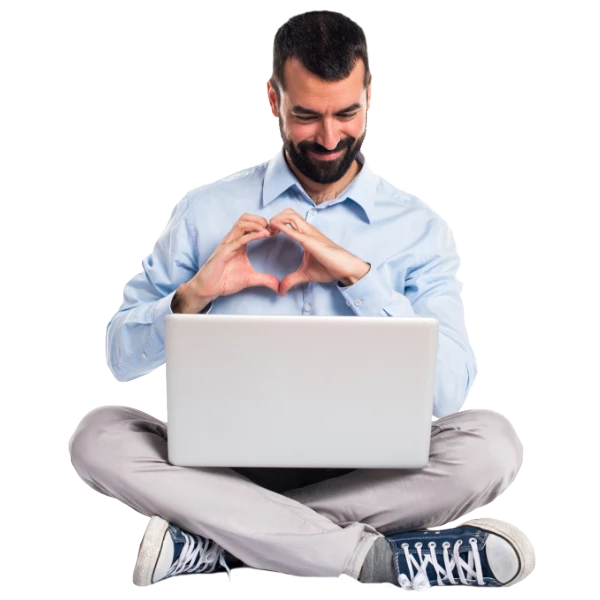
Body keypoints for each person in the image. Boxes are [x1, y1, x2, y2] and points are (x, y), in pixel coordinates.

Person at [69, 9, 536, 591]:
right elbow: (119, 358)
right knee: (97, 435)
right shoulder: (203, 212)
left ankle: (223, 542)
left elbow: (448, 391)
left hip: (371, 470)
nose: (330, 137)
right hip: (223, 464)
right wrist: (196, 295)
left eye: (347, 113)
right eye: (307, 116)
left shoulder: (420, 229)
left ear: (370, 94)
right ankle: (372, 559)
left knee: (492, 446)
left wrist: (360, 278)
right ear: (273, 98)